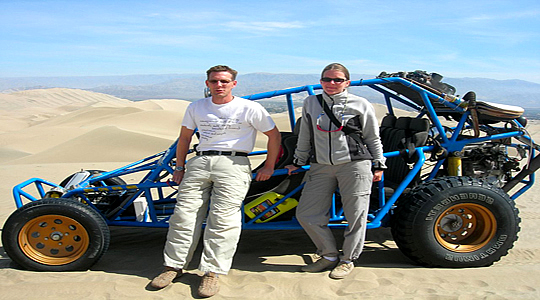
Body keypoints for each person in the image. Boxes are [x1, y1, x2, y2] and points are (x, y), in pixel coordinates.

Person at [150, 65, 281, 297]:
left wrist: (270, 165)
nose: (218, 85)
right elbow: (184, 138)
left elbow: (274, 135)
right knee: (183, 214)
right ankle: (173, 266)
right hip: (200, 162)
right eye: (213, 81)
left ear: (234, 84)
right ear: (207, 84)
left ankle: (212, 272)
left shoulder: (249, 107)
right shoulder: (196, 107)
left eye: (223, 81)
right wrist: (179, 167)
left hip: (234, 164)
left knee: (223, 219)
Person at [285, 63, 386, 279]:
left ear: (347, 82)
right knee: (307, 214)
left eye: (337, 80)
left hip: (355, 165)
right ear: (320, 82)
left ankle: (348, 260)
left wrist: (379, 164)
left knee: (355, 216)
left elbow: (372, 137)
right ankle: (329, 255)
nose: (331, 84)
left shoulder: (361, 104)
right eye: (326, 79)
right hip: (320, 166)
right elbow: (305, 135)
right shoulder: (311, 102)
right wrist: (298, 161)